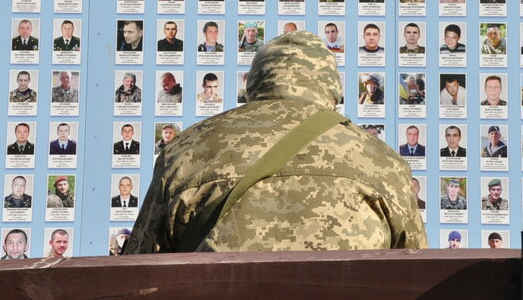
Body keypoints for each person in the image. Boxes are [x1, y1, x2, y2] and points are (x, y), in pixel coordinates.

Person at [125, 32, 427, 253]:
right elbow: (417, 270)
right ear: (332, 88)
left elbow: (138, 263)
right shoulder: (382, 161)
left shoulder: (184, 150)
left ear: (253, 82)